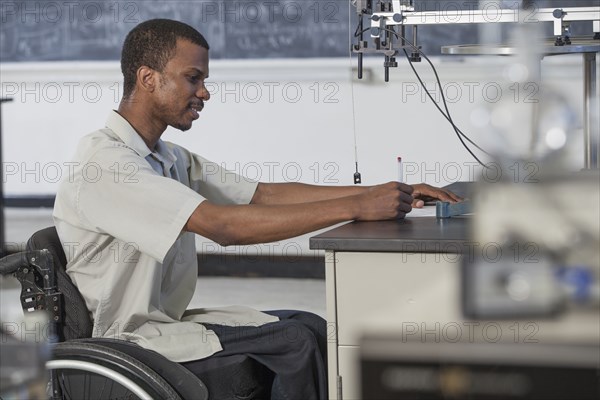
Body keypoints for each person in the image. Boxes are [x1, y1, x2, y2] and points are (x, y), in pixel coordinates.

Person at [53, 19, 461, 400]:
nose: (205, 92)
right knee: (295, 345)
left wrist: (386, 192)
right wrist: (359, 205)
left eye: (204, 80)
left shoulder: (165, 156)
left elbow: (259, 196)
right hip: (127, 344)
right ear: (147, 78)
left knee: (312, 326)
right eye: (193, 79)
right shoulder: (106, 166)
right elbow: (224, 226)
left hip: (162, 327)